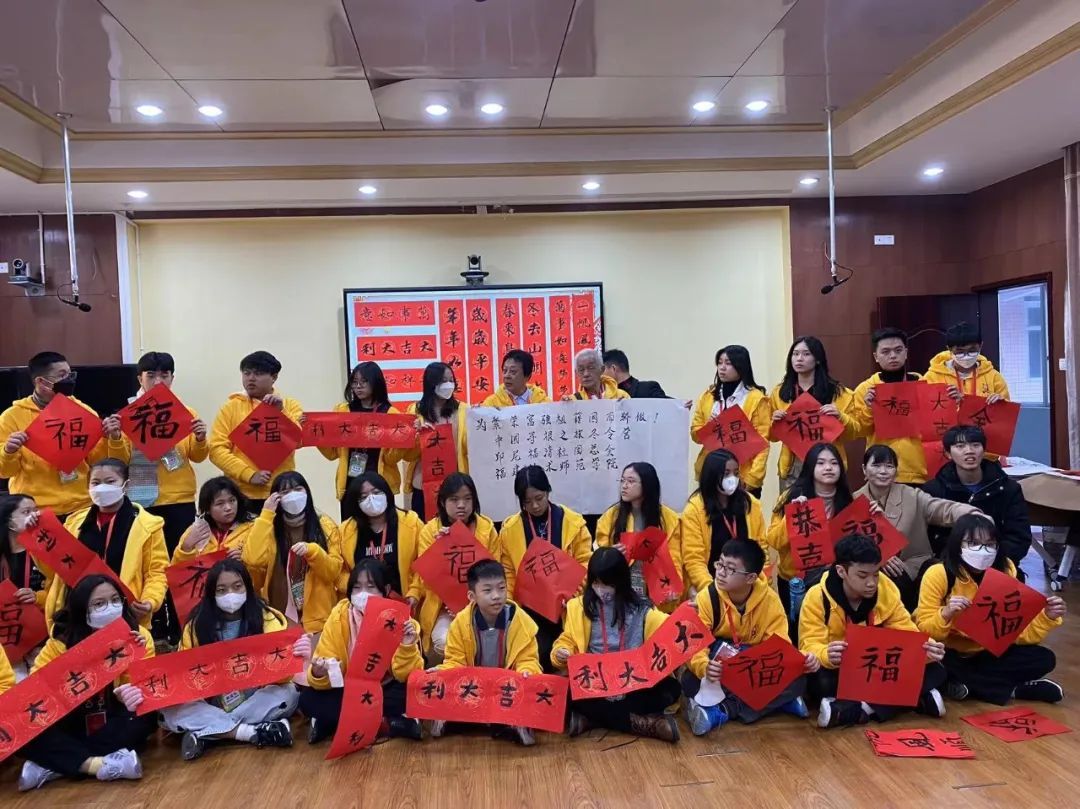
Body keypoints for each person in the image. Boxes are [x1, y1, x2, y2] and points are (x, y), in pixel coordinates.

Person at [149, 558, 304, 760]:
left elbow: (282, 675)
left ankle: (208, 734)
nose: (230, 594)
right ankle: (251, 732)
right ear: (211, 593)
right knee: (166, 712)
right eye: (221, 590)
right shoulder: (196, 625)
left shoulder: (267, 617)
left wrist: (294, 655)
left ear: (247, 586)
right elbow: (186, 678)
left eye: (237, 587)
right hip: (212, 701)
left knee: (289, 693)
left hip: (255, 698)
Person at [16, 574, 155, 791]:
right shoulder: (60, 641)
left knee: (146, 717)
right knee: (22, 727)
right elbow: (36, 687)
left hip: (112, 717)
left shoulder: (138, 635)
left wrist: (126, 692)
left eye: (115, 600)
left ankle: (57, 764)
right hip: (71, 720)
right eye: (99, 604)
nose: (110, 607)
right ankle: (97, 764)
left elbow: (145, 686)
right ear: (82, 610)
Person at [799, 535, 947, 728]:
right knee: (820, 683)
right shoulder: (817, 597)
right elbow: (809, 644)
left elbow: (907, 632)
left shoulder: (886, 590)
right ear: (841, 571)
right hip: (841, 670)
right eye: (862, 576)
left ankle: (860, 709)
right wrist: (826, 654)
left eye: (876, 574)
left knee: (937, 669)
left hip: (878, 668)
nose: (871, 583)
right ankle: (914, 698)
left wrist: (926, 648)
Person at [915, 515, 1065, 704]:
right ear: (957, 544)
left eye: (989, 544)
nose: (982, 550)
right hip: (950, 652)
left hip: (987, 653)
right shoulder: (938, 573)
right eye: (973, 543)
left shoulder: (1006, 569)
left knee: (1044, 658)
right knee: (933, 664)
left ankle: (967, 685)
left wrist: (1046, 617)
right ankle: (1013, 689)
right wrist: (945, 614)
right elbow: (924, 630)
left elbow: (1014, 631)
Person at [682, 539, 818, 734]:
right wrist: (705, 667)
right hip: (722, 666)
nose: (720, 572)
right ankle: (779, 702)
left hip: (753, 668)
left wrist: (803, 660)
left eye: (730, 569)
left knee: (800, 679)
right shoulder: (707, 598)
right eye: (720, 564)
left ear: (751, 577)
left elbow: (780, 648)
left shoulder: (769, 600)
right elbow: (695, 645)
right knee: (690, 681)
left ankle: (723, 710)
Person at [551, 548, 681, 742]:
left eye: (607, 584)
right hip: (594, 684)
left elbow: (673, 630)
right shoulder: (578, 607)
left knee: (671, 689)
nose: (600, 589)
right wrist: (561, 652)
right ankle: (644, 725)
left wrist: (689, 613)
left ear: (620, 581)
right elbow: (567, 639)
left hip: (632, 682)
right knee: (562, 690)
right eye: (596, 583)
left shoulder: (642, 609)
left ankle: (592, 720)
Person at [301, 559, 424, 743]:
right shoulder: (339, 617)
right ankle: (388, 723)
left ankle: (335, 723)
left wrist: (407, 645)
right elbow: (325, 665)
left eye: (370, 587)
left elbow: (408, 675)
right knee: (308, 699)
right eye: (357, 587)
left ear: (385, 589)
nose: (362, 593)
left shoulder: (401, 619)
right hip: (349, 689)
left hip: (384, 689)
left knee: (415, 690)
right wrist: (320, 673)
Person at [1, 351, 131, 519]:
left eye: (70, 375)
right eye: (62, 375)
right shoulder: (11, 418)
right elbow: (4, 472)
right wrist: (9, 451)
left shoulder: (82, 411)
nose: (69, 380)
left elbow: (100, 463)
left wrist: (112, 438)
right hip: (36, 511)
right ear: (41, 382)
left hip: (82, 506)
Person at [41, 459, 169, 630]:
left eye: (110, 482)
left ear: (126, 485)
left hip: (122, 609)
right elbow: (55, 567)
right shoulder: (74, 523)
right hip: (78, 609)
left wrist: (150, 600)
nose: (102, 488)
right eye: (96, 483)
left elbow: (156, 571)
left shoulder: (148, 525)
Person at [855, 444, 982, 610]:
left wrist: (974, 515)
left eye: (889, 466)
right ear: (864, 469)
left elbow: (943, 509)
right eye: (876, 465)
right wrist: (880, 555)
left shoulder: (912, 495)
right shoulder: (854, 501)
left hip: (915, 564)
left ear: (896, 471)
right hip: (873, 569)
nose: (883, 471)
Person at [432, 558, 540, 746]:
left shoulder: (521, 621)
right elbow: (455, 661)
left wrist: (527, 670)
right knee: (443, 687)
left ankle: (514, 724)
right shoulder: (461, 623)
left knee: (530, 691)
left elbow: (528, 659)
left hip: (506, 689)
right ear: (472, 596)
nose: (496, 596)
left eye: (501, 588)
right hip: (475, 688)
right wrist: (443, 671)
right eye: (488, 591)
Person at [498, 465, 593, 670]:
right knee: (537, 656)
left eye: (539, 498)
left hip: (567, 605)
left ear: (548, 491)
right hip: (530, 609)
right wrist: (511, 606)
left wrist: (573, 593)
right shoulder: (509, 530)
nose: (534, 505)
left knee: (570, 656)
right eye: (527, 502)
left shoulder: (572, 523)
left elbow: (585, 563)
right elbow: (508, 572)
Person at [413, 473, 503, 662]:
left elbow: (495, 570)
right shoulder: (430, 531)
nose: (461, 505)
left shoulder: (486, 528)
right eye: (454, 500)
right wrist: (439, 548)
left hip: (482, 603)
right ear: (443, 502)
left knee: (491, 641)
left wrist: (471, 603)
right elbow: (425, 578)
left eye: (467, 499)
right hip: (444, 607)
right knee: (444, 641)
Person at [242, 471, 342, 635]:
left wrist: (313, 551)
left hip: (318, 622)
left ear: (307, 493)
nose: (293, 496)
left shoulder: (324, 525)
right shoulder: (268, 526)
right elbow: (252, 559)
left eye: (298, 489)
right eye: (285, 492)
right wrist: (266, 514)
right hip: (279, 619)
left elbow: (333, 572)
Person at [766, 443, 854, 626]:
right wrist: (792, 516)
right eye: (821, 463)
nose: (828, 468)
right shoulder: (790, 496)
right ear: (810, 467)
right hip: (795, 580)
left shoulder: (847, 500)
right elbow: (774, 540)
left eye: (834, 463)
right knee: (795, 629)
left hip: (834, 580)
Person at [921, 424, 1032, 568]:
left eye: (975, 445)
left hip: (997, 563)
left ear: (984, 450)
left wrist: (991, 560)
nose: (969, 451)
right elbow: (928, 538)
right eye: (960, 446)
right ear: (948, 453)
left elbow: (1019, 537)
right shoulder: (933, 489)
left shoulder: (1008, 488)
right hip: (949, 565)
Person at [209, 351, 304, 511]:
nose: (251, 378)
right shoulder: (231, 408)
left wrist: (280, 412)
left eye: (258, 373)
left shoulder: (289, 405)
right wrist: (249, 474)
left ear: (274, 377)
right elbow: (216, 450)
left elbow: (299, 442)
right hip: (241, 493)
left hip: (281, 491)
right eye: (247, 373)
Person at [768, 337, 858, 491]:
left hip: (827, 462)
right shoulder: (780, 392)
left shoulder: (839, 393)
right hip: (793, 464)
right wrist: (775, 422)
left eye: (806, 354)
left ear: (817, 359)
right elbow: (772, 436)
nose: (799, 358)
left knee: (828, 505)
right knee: (794, 505)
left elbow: (854, 433)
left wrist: (840, 417)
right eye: (795, 354)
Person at [318, 361, 401, 521]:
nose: (358, 386)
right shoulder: (342, 411)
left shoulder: (391, 414)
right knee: (351, 529)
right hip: (350, 483)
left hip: (379, 484)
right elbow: (332, 453)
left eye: (364, 381)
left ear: (376, 383)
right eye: (354, 382)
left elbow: (391, 458)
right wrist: (316, 435)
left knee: (381, 528)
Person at [595, 462, 683, 611]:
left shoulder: (669, 519)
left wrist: (674, 588)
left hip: (654, 587)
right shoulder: (610, 517)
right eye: (622, 480)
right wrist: (611, 555)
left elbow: (674, 558)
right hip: (621, 588)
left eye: (631, 481)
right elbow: (598, 555)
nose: (624, 486)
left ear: (647, 485)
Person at [681, 450, 767, 598]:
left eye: (736, 473)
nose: (732, 479)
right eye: (726, 474)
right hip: (713, 584)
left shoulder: (751, 504)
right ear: (712, 475)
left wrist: (761, 585)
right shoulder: (694, 510)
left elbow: (762, 547)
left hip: (746, 585)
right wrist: (712, 592)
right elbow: (694, 559)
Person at [689, 345, 771, 495]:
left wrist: (752, 479)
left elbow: (762, 443)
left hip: (742, 475)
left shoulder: (756, 399)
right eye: (719, 363)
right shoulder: (708, 396)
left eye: (728, 363)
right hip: (712, 472)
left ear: (741, 366)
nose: (722, 368)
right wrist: (709, 427)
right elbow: (695, 435)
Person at [852, 328, 928, 484]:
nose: (893, 356)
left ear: (906, 353)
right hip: (881, 471)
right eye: (886, 352)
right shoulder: (865, 389)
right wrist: (868, 407)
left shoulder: (924, 385)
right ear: (876, 357)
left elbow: (935, 425)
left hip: (918, 469)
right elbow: (860, 430)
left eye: (898, 350)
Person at [338, 471, 424, 603]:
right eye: (364, 496)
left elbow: (424, 562)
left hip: (405, 602)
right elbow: (339, 572)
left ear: (387, 493)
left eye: (376, 492)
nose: (371, 499)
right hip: (363, 605)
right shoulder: (345, 531)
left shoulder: (411, 523)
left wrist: (414, 593)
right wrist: (356, 591)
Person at [399, 362, 469, 521]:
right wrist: (417, 436)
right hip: (424, 484)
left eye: (451, 380)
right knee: (425, 530)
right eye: (444, 381)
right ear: (431, 383)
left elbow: (468, 446)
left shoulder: (463, 410)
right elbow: (407, 455)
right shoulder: (415, 411)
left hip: (454, 484)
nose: (448, 385)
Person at [923, 321, 1010, 403]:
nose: (966, 356)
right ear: (949, 349)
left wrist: (1001, 404)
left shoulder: (994, 377)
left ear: (980, 346)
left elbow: (1009, 411)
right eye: (960, 352)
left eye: (972, 350)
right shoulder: (932, 377)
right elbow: (922, 407)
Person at [172, 477, 254, 563]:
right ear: (207, 509)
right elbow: (175, 569)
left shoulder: (253, 528)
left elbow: (261, 566)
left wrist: (245, 560)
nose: (228, 508)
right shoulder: (196, 531)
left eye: (232, 500)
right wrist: (186, 548)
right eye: (220, 503)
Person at [482, 350, 550, 407]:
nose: (507, 376)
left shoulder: (542, 402)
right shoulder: (491, 403)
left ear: (527, 376)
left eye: (513, 371)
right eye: (505, 371)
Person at [563, 349, 629, 401]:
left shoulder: (621, 396)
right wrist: (564, 408)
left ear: (602, 369)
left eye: (591, 368)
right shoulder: (574, 400)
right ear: (576, 373)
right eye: (581, 370)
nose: (586, 374)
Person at [602, 349, 666, 398]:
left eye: (602, 370)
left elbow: (668, 407)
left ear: (613, 368)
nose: (600, 375)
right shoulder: (604, 395)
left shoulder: (649, 389)